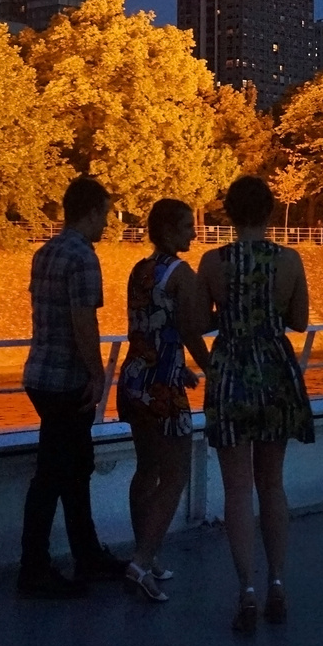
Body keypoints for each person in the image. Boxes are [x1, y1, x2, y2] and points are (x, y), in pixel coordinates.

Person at [198, 176, 313, 634]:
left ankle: (245, 588)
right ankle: (278, 583)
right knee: (272, 485)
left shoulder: (212, 263)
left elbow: (197, 322)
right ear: (268, 213)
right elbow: (300, 322)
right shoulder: (289, 261)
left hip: (230, 375)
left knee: (237, 489)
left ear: (229, 214)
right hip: (275, 373)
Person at [16, 176, 128, 599]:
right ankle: (35, 568)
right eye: (106, 213)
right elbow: (85, 322)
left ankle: (86, 554)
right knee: (55, 474)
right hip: (68, 380)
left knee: (74, 466)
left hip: (40, 374)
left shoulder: (45, 252)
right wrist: (97, 375)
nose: (108, 223)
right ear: (91, 211)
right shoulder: (83, 258)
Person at [116, 198, 211, 602]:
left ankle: (147, 553)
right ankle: (140, 561)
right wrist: (213, 367)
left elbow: (151, 329)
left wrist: (180, 366)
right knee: (175, 475)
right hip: (163, 393)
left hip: (135, 380)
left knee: (146, 470)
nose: (194, 232)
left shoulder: (139, 271)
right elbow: (191, 332)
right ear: (170, 230)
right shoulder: (182, 275)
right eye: (188, 226)